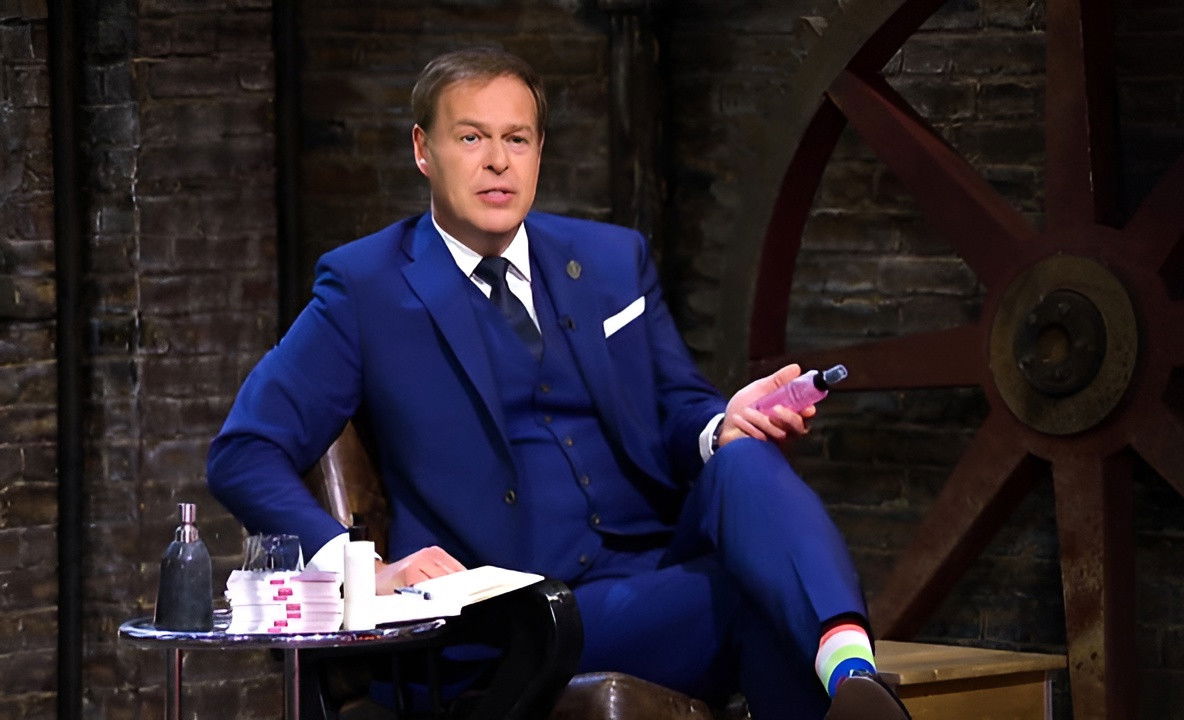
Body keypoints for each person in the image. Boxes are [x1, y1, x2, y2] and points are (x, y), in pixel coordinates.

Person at [207, 47, 908, 720]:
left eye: (517, 139)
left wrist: (719, 424)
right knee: (760, 597)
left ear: (539, 151)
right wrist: (363, 568)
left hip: (652, 565)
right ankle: (851, 688)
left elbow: (678, 405)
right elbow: (244, 451)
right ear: (423, 150)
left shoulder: (611, 259)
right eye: (471, 137)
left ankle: (852, 673)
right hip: (512, 613)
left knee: (745, 459)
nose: (497, 161)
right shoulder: (365, 287)